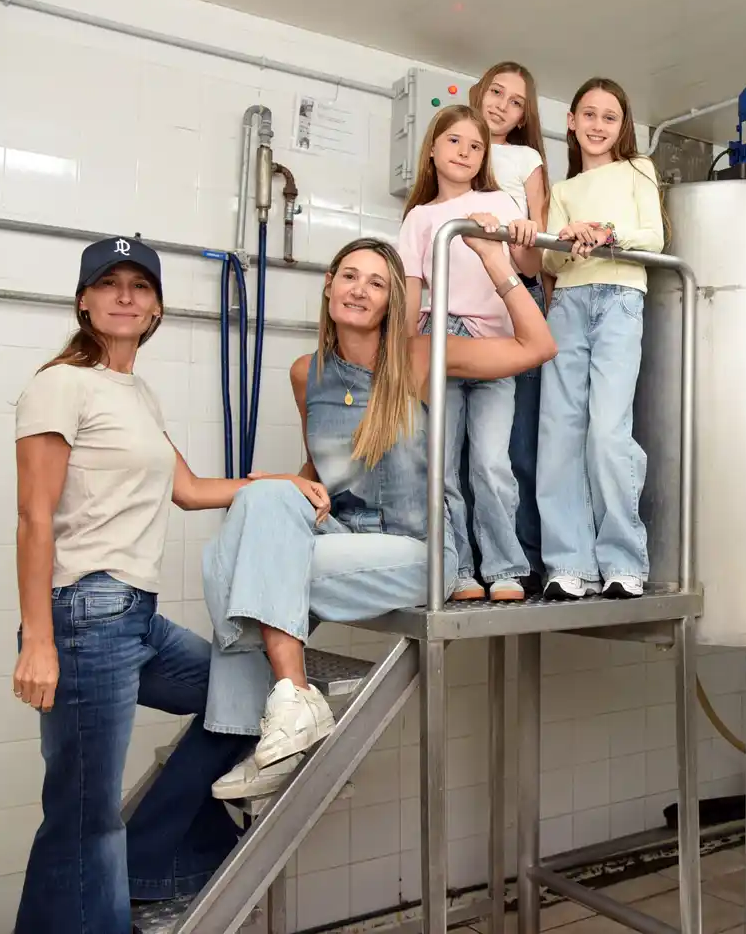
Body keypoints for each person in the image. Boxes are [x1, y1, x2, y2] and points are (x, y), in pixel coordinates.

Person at [11, 237, 329, 934]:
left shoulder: (137, 393)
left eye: (140, 287)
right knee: (83, 821)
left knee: (240, 700)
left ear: (156, 309)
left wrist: (285, 483)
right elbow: (35, 517)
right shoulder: (59, 384)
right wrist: (37, 640)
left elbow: (187, 490)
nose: (126, 296)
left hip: (136, 619)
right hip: (82, 614)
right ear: (84, 301)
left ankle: (153, 857)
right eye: (110, 284)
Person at [205, 235, 554, 798]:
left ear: (393, 301)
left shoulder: (421, 355)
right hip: (344, 537)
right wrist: (286, 490)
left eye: (376, 283)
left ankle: (275, 725)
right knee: (260, 500)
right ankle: (290, 707)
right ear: (329, 286)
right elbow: (318, 469)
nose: (359, 290)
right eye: (349, 276)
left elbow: (537, 346)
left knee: (233, 564)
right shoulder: (305, 373)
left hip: (419, 552)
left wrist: (497, 262)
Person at [398, 105, 538, 601]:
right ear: (432, 149)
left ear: (484, 160)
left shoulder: (499, 202)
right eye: (454, 141)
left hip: (495, 341)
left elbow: (528, 264)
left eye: (475, 146)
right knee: (441, 463)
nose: (464, 152)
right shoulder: (419, 217)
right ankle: (455, 570)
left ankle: (505, 568)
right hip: (440, 335)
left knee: (491, 462)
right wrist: (406, 347)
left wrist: (521, 235)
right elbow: (412, 288)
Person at [537, 78, 667, 602]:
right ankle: (568, 564)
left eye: (608, 117)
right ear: (571, 121)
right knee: (560, 434)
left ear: (622, 126)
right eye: (587, 115)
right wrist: (570, 240)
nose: (597, 125)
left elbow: (653, 237)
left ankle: (623, 561)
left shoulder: (640, 171)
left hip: (619, 299)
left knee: (607, 433)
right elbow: (549, 259)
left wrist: (605, 233)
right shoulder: (562, 192)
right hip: (568, 303)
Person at [469, 61, 551, 591]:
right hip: (457, 314)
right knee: (462, 452)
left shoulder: (525, 158)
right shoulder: (459, 144)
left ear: (524, 116)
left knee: (515, 449)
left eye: (515, 101)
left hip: (513, 312)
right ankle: (472, 565)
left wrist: (525, 237)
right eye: (495, 92)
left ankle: (525, 563)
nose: (500, 104)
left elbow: (534, 258)